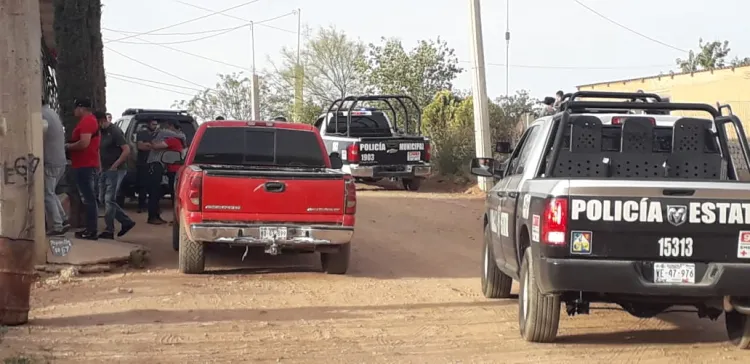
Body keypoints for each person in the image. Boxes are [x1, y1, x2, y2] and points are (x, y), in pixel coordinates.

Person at [64, 98, 101, 240]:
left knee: (89, 199)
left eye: (75, 108)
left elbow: (84, 143)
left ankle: (91, 231)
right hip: (84, 164)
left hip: (85, 165)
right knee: (88, 198)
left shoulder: (87, 121)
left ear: (81, 108)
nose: (74, 111)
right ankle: (90, 228)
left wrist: (67, 146)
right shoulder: (89, 121)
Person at [96, 111, 136, 239]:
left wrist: (115, 165)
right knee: (103, 198)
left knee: (109, 199)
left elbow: (126, 149)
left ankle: (109, 230)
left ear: (102, 120)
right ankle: (126, 221)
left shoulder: (115, 131)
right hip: (105, 168)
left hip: (116, 170)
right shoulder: (100, 132)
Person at [146, 120, 186, 225]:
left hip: (165, 168)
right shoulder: (179, 139)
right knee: (160, 192)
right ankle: (155, 215)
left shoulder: (172, 139)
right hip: (167, 168)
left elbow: (156, 146)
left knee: (156, 192)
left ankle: (154, 215)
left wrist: (151, 143)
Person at [42, 100, 70, 235]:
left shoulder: (41, 115)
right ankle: (63, 219)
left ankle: (57, 226)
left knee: (47, 194)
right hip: (60, 160)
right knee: (51, 192)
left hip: (50, 161)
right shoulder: (52, 113)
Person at [135, 120, 158, 213]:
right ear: (148, 124)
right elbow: (140, 146)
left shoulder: (157, 134)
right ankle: (141, 205)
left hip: (154, 162)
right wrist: (154, 146)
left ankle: (153, 207)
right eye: (153, 124)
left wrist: (149, 145)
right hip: (143, 163)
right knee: (142, 186)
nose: (155, 126)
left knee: (154, 186)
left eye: (156, 124)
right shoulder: (142, 133)